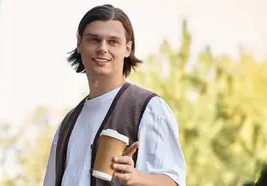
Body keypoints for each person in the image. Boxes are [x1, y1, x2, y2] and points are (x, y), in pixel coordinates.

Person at [43, 4, 186, 186]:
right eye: (94, 39)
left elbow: (174, 181)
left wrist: (136, 178)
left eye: (113, 41)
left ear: (127, 48)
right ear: (79, 44)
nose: (103, 48)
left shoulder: (148, 108)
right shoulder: (68, 123)